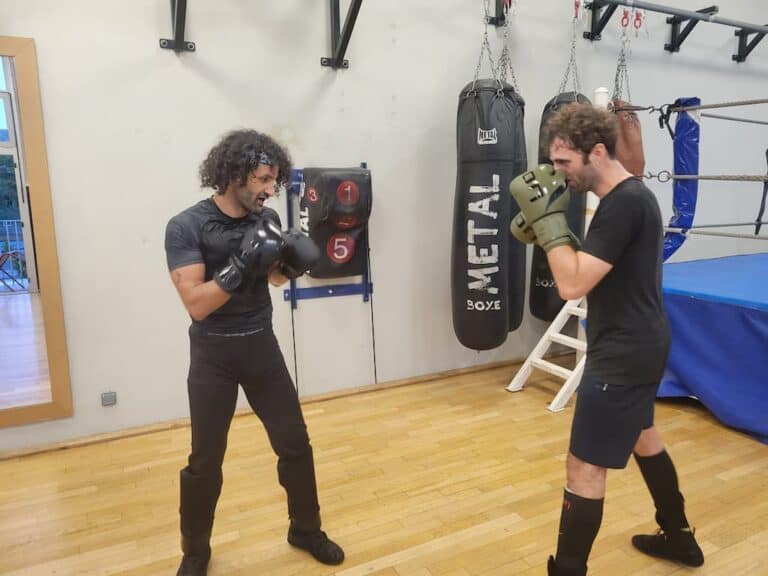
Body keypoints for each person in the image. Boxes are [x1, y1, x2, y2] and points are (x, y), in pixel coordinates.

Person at [508, 103, 704, 575]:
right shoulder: (627, 196)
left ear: (596, 152)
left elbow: (572, 285)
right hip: (639, 341)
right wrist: (551, 233)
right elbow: (597, 265)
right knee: (644, 437)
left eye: (564, 163)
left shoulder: (623, 205)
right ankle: (680, 538)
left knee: (584, 467)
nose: (557, 174)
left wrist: (551, 227)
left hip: (621, 353)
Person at [164, 129, 345, 576]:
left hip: (261, 347)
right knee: (205, 461)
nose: (270, 190)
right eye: (264, 179)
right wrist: (241, 263)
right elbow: (198, 304)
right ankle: (196, 550)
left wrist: (291, 263)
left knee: (295, 444)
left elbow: (274, 282)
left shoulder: (261, 220)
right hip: (213, 357)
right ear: (233, 173)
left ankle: (305, 529)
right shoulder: (185, 226)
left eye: (274, 182)